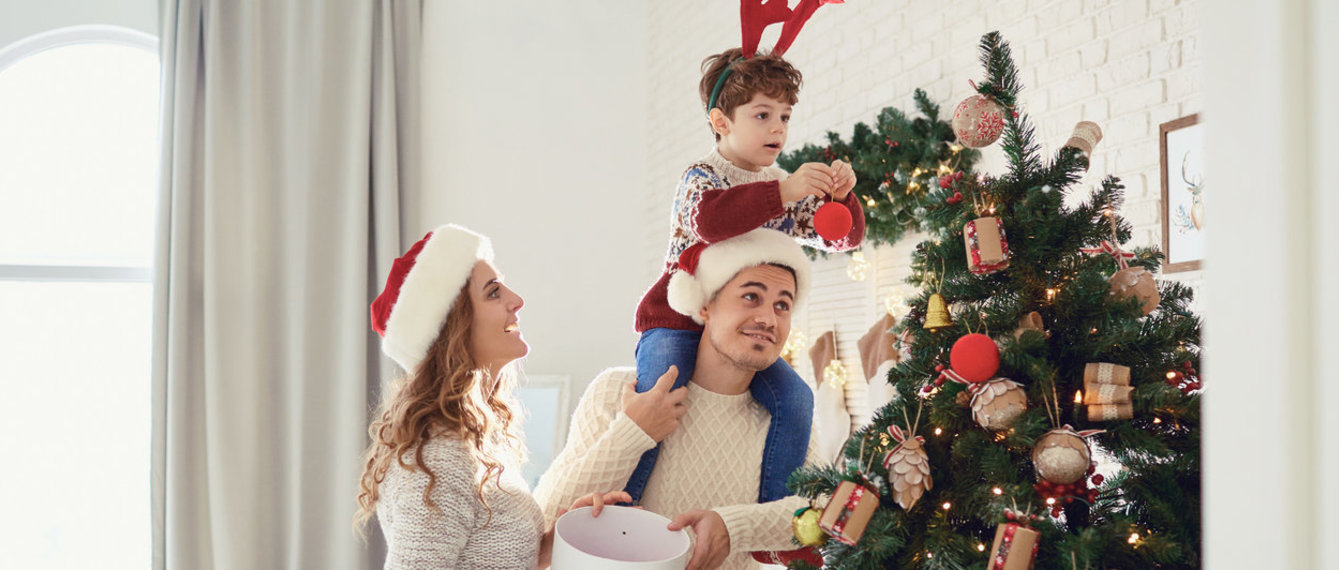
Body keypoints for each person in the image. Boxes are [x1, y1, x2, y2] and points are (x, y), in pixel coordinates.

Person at [629, 46, 865, 508]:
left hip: (740, 328)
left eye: (784, 116)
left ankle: (779, 517)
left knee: (796, 400)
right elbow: (713, 223)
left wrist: (844, 198)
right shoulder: (702, 177)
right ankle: (624, 504)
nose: (777, 128)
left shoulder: (784, 186)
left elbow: (843, 239)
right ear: (721, 122)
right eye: (762, 115)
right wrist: (785, 190)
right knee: (658, 393)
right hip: (676, 318)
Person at [537, 229, 825, 570]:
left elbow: (820, 513)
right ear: (705, 305)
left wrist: (734, 528)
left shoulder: (785, 420)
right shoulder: (617, 391)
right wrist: (633, 430)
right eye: (751, 296)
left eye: (782, 305)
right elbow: (544, 523)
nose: (768, 318)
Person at [355, 224, 630, 569]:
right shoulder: (438, 460)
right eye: (493, 293)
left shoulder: (472, 440)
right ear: (454, 328)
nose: (516, 300)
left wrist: (553, 542)